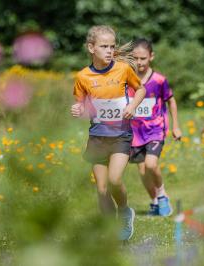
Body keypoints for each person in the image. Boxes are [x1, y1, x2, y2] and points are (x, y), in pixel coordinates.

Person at [70, 25, 146, 241]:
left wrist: (132, 106)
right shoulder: (83, 76)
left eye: (112, 46)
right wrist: (77, 109)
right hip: (97, 137)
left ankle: (124, 211)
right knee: (102, 189)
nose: (110, 50)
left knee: (114, 179)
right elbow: (81, 105)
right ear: (91, 48)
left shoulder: (123, 69)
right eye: (104, 46)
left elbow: (140, 89)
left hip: (121, 135)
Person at [129, 38, 182, 216]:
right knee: (143, 170)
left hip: (155, 129)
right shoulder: (126, 79)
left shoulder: (159, 80)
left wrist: (176, 126)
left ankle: (162, 195)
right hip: (135, 132)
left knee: (151, 165)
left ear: (151, 56)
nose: (139, 62)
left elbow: (171, 101)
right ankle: (154, 202)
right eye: (135, 58)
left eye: (143, 58)